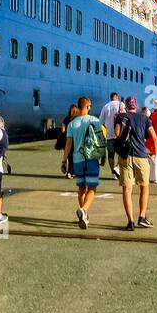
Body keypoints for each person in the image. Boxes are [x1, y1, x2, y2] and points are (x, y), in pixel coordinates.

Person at [113, 96, 157, 230]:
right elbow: (154, 137)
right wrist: (153, 153)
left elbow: (117, 134)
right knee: (144, 187)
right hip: (141, 156)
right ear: (136, 106)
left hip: (126, 156)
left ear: (126, 106)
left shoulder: (120, 117)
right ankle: (142, 217)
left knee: (127, 189)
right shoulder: (145, 118)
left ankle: (130, 222)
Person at [63, 96, 103, 230]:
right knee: (92, 188)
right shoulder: (94, 120)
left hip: (77, 160)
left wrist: (64, 160)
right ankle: (84, 210)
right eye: (90, 106)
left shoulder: (72, 124)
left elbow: (68, 144)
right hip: (91, 158)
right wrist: (103, 155)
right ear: (86, 106)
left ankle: (83, 216)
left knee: (81, 188)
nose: (90, 108)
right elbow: (100, 140)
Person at [99, 93, 125, 178]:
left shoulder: (106, 106)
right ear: (117, 97)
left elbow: (101, 121)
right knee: (123, 154)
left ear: (111, 98)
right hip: (120, 134)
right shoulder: (121, 104)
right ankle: (117, 168)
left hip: (109, 134)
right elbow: (125, 117)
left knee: (111, 154)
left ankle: (113, 173)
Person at [57, 103, 79, 178]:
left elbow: (63, 130)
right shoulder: (78, 119)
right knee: (74, 157)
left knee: (70, 157)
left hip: (68, 140)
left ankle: (71, 172)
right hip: (74, 141)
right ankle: (72, 172)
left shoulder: (66, 119)